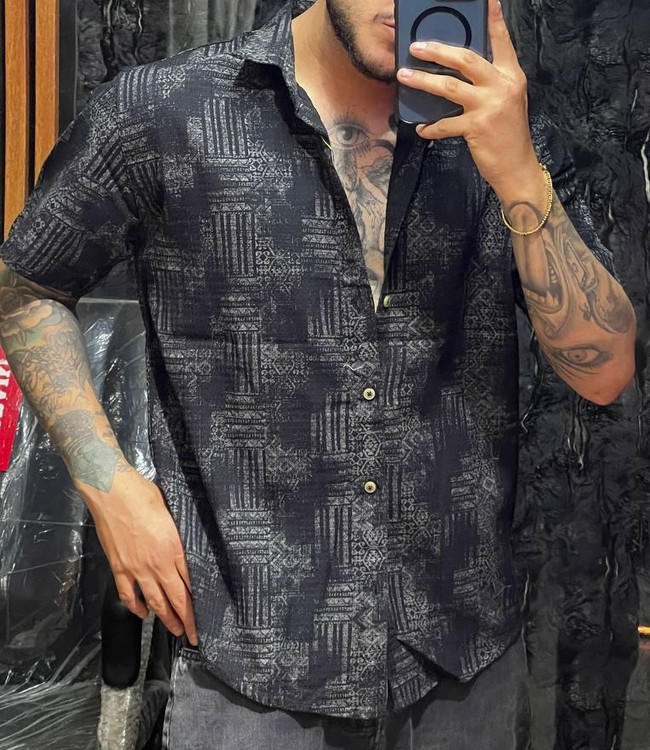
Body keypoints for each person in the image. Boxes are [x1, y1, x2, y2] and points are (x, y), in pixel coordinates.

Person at [0, 0, 636, 747]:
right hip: (254, 660)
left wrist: (520, 175)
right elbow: (28, 286)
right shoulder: (164, 111)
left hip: (460, 657)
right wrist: (109, 485)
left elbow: (604, 370)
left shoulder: (507, 129)